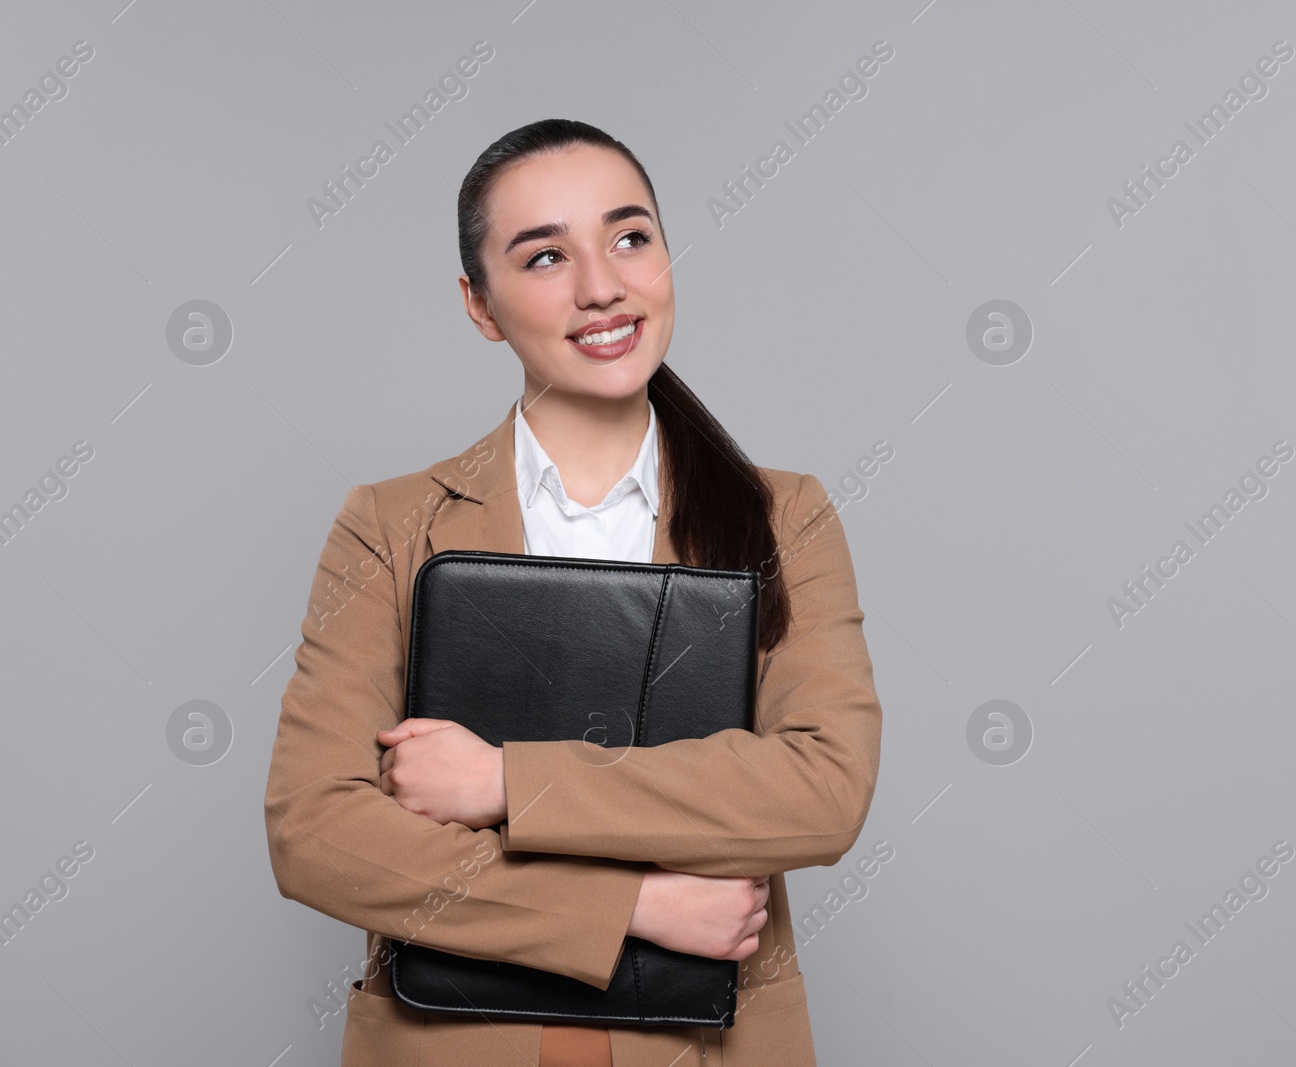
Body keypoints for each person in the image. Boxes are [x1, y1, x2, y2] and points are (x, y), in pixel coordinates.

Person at [264, 118, 884, 1067]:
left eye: (629, 237)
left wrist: (503, 779)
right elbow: (318, 833)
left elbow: (820, 791)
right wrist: (635, 906)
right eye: (546, 255)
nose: (603, 285)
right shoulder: (389, 526)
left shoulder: (785, 517)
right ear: (479, 304)